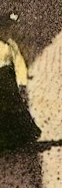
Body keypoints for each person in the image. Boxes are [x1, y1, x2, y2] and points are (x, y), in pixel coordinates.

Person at [0, 12, 39, 152]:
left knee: (14, 110)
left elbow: (19, 62)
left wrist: (22, 82)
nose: (6, 31)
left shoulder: (11, 45)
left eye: (7, 29)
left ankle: (18, 141)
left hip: (8, 80)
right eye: (4, 28)